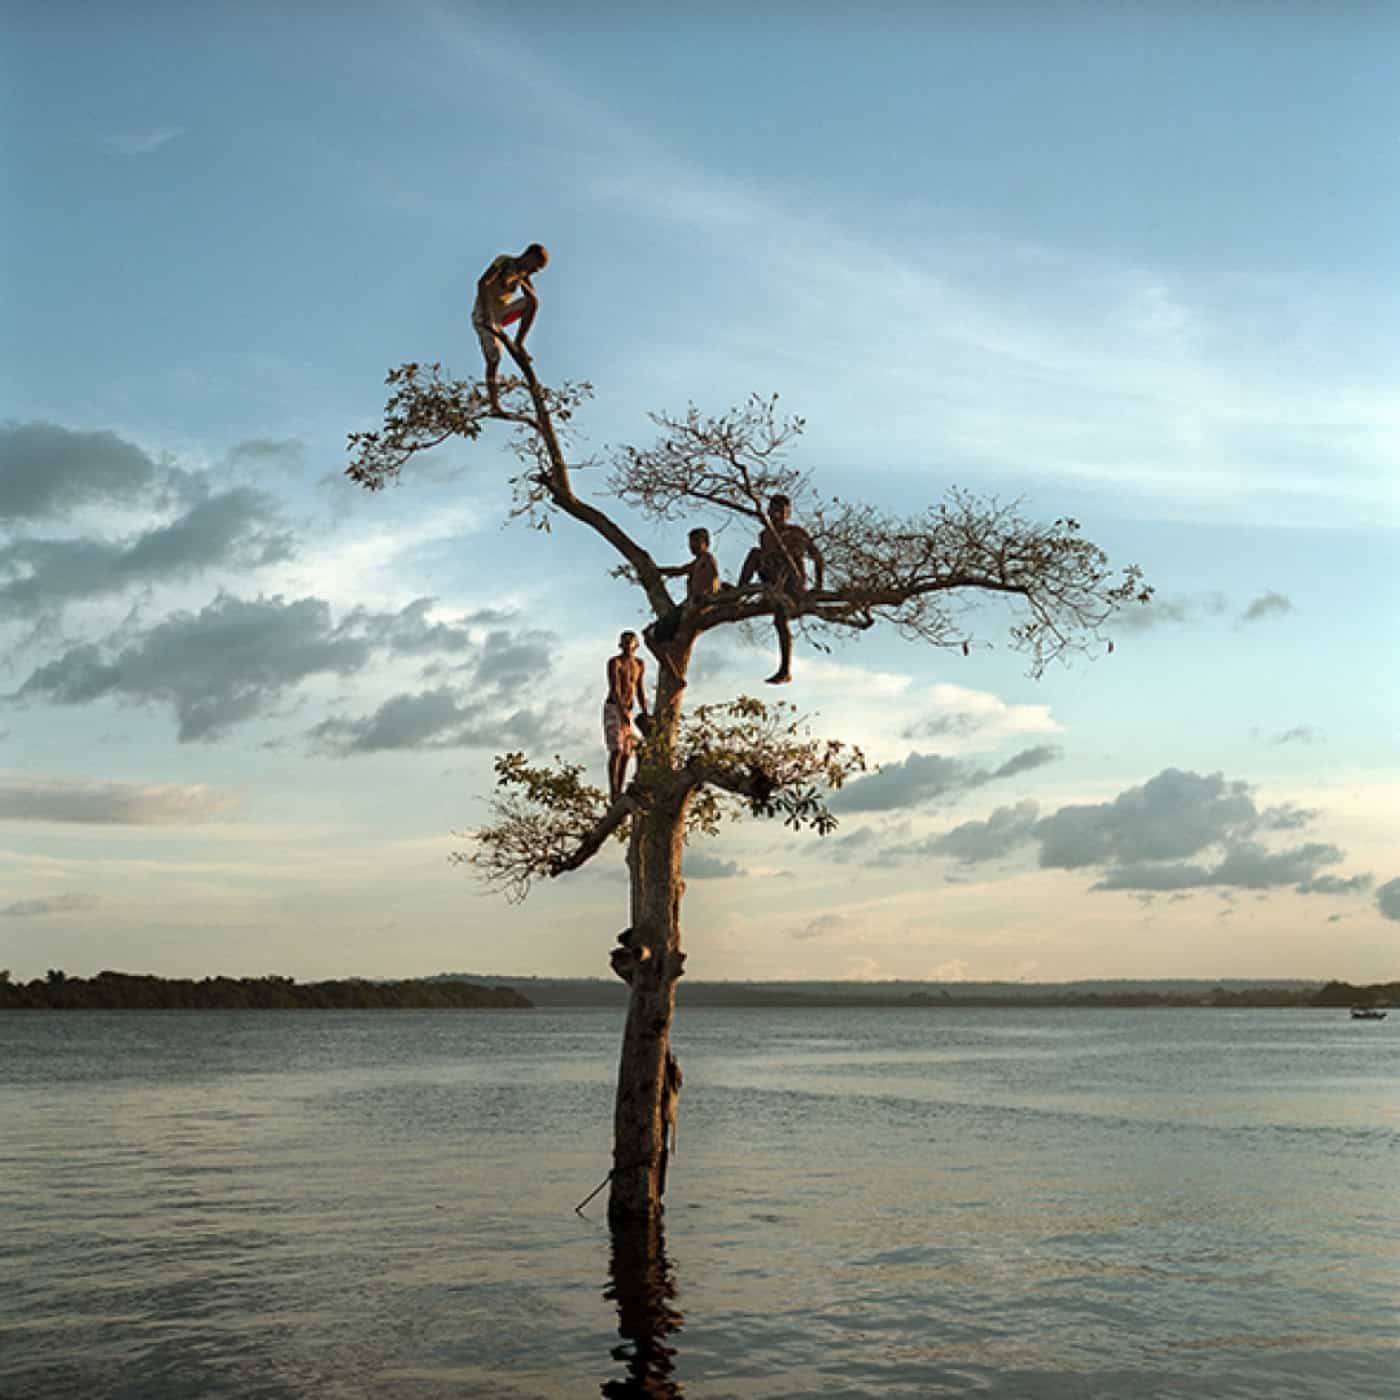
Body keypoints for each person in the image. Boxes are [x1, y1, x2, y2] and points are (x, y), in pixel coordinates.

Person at [737, 494, 824, 684]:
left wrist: (818, 586)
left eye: (782, 511)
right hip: (770, 580)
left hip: (791, 583)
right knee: (755, 554)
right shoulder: (765, 535)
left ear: (787, 513)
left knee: (780, 620)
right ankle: (738, 593)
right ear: (768, 511)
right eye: (774, 510)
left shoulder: (796, 532)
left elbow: (817, 556)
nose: (777, 515)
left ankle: (785, 670)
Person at [472, 243, 549, 414]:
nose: (536, 271)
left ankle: (519, 342)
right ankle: (494, 404)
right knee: (494, 357)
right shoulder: (504, 261)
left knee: (533, 303)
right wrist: (486, 313)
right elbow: (482, 283)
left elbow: (532, 297)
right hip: (483, 313)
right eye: (536, 266)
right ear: (529, 256)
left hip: (501, 314)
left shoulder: (523, 274)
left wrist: (522, 278)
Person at [645, 527, 721, 653]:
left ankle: (665, 646)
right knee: (661, 630)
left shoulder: (707, 560)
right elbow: (679, 570)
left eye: (697, 541)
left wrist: (705, 598)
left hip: (699, 602)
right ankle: (666, 648)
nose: (692, 545)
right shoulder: (696, 563)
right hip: (691, 603)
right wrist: (658, 570)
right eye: (691, 542)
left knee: (657, 631)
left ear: (706, 543)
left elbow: (714, 578)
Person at [604, 631, 649, 801]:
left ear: (636, 644)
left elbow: (639, 689)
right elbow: (615, 688)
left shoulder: (639, 664)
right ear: (620, 644)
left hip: (628, 710)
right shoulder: (615, 662)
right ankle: (613, 791)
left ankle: (620, 790)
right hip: (614, 707)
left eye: (631, 641)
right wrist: (621, 710)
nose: (627, 644)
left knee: (627, 752)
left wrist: (645, 710)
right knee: (616, 749)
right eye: (625, 641)